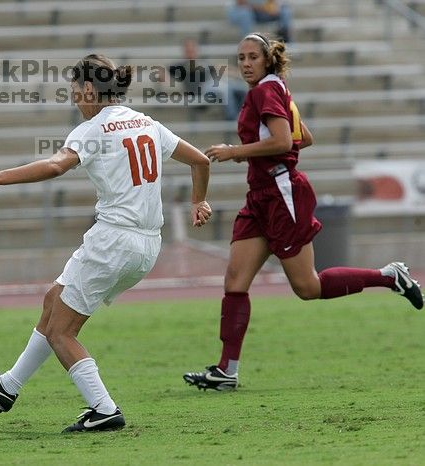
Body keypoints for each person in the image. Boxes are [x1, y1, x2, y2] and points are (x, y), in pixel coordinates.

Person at [0, 54, 212, 432]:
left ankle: (104, 408)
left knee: (62, 331)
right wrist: (198, 200)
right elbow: (200, 161)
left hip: (113, 241)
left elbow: (55, 165)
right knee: (53, 299)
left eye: (76, 91)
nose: (75, 99)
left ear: (90, 90)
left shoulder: (93, 128)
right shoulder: (147, 122)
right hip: (147, 244)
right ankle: (6, 386)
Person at [183, 33, 423, 392]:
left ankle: (390, 276)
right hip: (260, 196)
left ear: (267, 60)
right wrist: (261, 151)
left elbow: (283, 142)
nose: (246, 63)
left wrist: (235, 152)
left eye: (252, 57)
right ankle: (226, 371)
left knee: (308, 287)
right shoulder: (273, 88)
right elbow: (303, 137)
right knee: (235, 282)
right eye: (241, 58)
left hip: (281, 194)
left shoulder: (266, 91)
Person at [168, 38, 246, 121]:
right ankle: (233, 119)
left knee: (241, 88)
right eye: (188, 49)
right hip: (202, 90)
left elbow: (217, 69)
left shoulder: (202, 63)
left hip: (214, 84)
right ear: (184, 51)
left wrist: (237, 73)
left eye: (193, 49)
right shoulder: (180, 66)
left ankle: (244, 116)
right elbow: (166, 72)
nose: (191, 51)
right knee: (224, 89)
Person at [228, 1, 293, 42]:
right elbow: (241, 2)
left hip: (263, 13)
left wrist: (274, 8)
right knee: (245, 14)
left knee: (285, 11)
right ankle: (247, 43)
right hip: (247, 12)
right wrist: (261, 8)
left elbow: (273, 4)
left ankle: (286, 39)